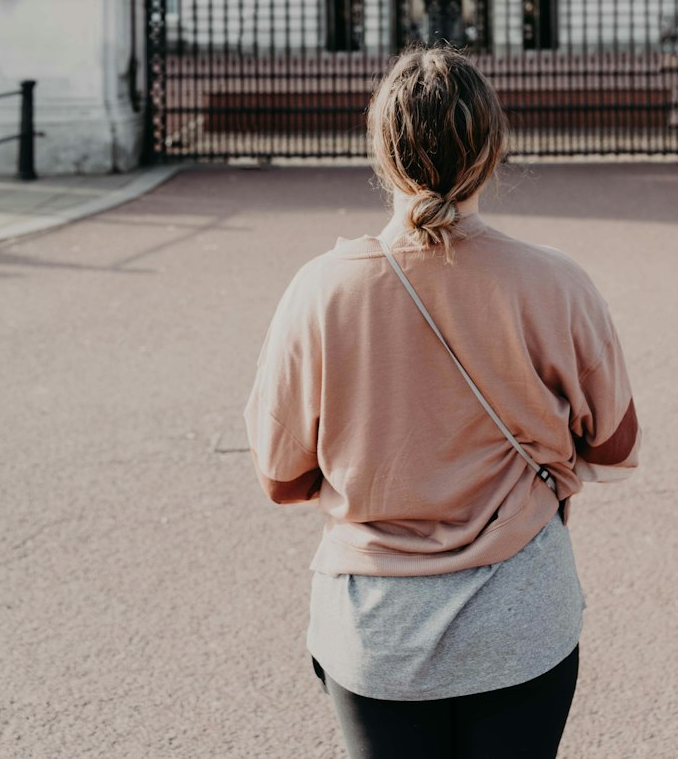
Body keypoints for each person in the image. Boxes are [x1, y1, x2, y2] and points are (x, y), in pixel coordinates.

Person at [244, 45, 641, 759]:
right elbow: (613, 443)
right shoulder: (555, 282)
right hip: (520, 616)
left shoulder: (320, 288)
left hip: (376, 626)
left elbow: (281, 480)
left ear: (381, 153)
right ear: (492, 152)